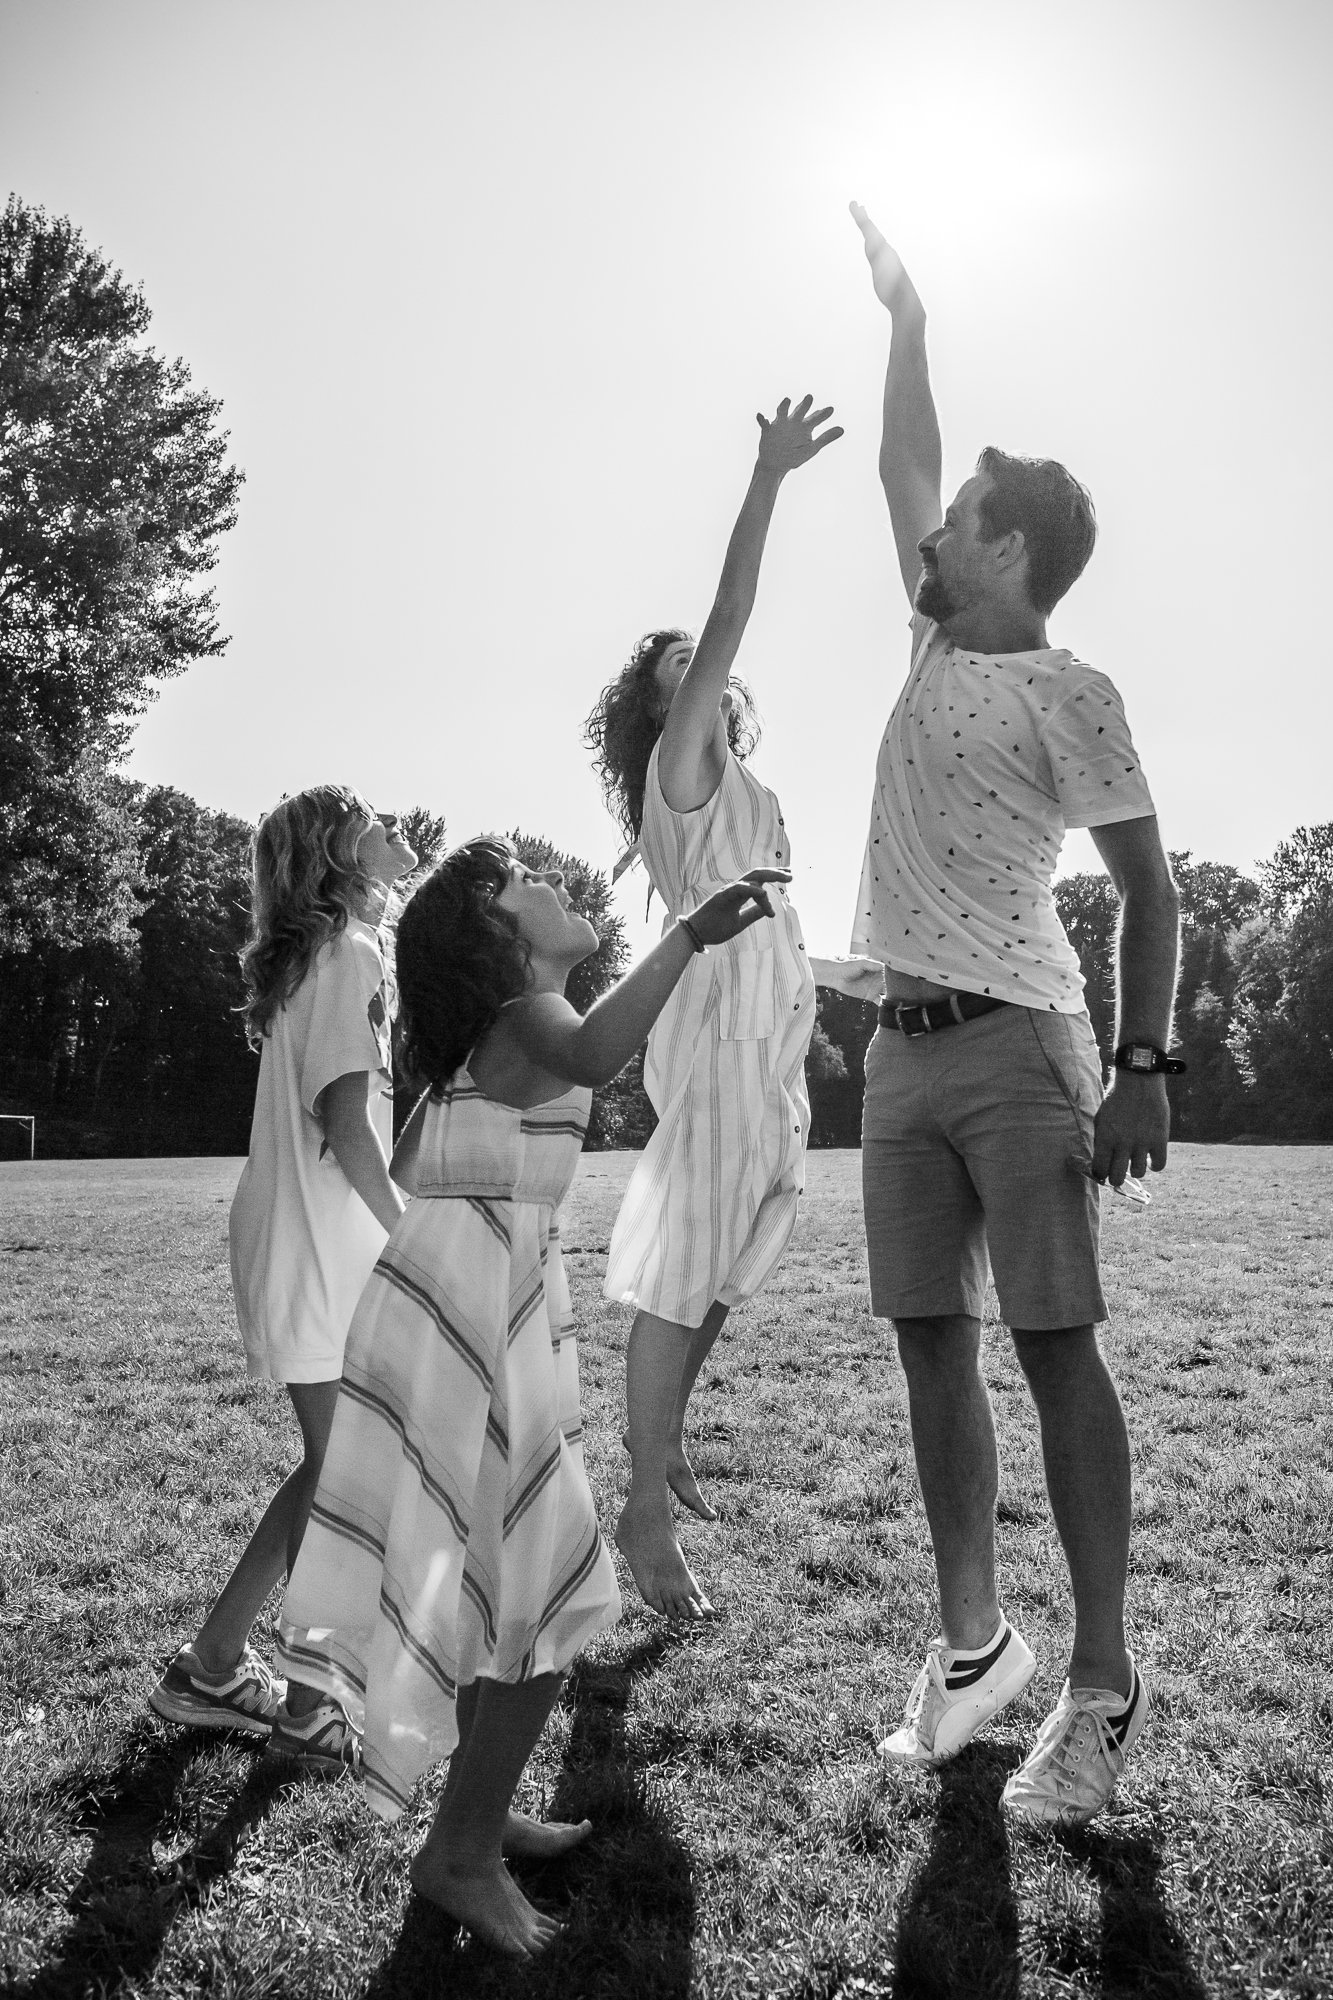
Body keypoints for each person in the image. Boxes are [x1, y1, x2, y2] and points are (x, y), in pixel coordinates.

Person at [276, 836, 788, 1959]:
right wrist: (689, 934)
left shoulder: (490, 1042)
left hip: (458, 1300)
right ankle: (457, 1856)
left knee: (492, 1575)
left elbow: (410, 1166)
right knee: (549, 1581)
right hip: (471, 1313)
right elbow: (600, 1048)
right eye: (525, 881)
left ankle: (479, 1809)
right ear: (495, 935)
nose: (555, 883)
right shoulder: (526, 1018)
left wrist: (483, 1228)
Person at [841, 203, 1181, 1826]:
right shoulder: (927, 637)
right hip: (894, 1057)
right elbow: (901, 455)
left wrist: (1142, 1068)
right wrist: (907, 317)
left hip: (1022, 1045)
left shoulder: (1070, 693)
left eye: (960, 518)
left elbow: (1152, 892)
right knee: (931, 1348)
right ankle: (976, 1654)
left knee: (1054, 1351)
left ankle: (1100, 1690)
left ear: (1011, 551)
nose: (931, 527)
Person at [585, 396, 843, 1622]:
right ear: (662, 704)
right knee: (685, 1273)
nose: (704, 668)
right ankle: (642, 1507)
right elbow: (732, 609)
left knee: (736, 1259)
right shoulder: (680, 766)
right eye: (677, 667)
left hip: (770, 1046)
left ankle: (666, 1436)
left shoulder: (745, 783)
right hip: (723, 1040)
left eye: (703, 664)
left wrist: (856, 974)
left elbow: (778, 918)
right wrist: (767, 474)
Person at [150, 785, 416, 1764]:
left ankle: (212, 1665)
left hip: (306, 1239)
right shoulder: (346, 955)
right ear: (338, 855)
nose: (395, 827)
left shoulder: (335, 953)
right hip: (315, 1246)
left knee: (329, 1466)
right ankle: (308, 1705)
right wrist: (413, 1236)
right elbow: (345, 1125)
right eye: (372, 818)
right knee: (345, 1476)